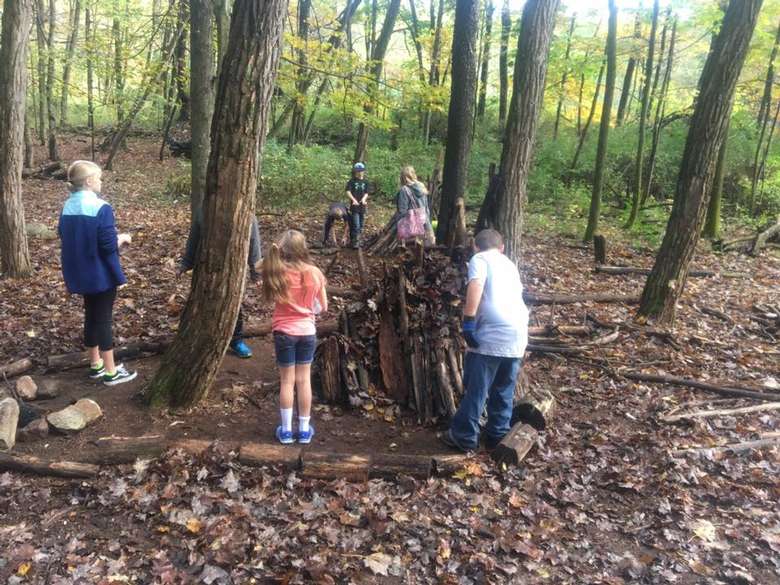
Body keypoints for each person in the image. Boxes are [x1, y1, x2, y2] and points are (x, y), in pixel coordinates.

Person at [443, 229, 529, 451]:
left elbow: (476, 285)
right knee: (503, 388)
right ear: (502, 248)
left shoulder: (479, 259)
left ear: (475, 246)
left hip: (492, 334)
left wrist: (469, 320)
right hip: (517, 334)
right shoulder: (509, 263)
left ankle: (464, 436)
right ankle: (497, 435)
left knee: (477, 389)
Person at [58, 160, 137, 386]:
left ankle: (95, 365)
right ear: (90, 181)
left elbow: (64, 235)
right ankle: (111, 372)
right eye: (99, 178)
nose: (101, 182)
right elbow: (107, 246)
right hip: (100, 274)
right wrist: (122, 238)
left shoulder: (67, 206)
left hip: (79, 273)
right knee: (102, 319)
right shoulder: (101, 207)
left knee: (91, 316)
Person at [262, 230, 328, 445]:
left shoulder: (276, 271)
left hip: (283, 333)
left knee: (287, 381)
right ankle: (304, 430)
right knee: (303, 380)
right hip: (307, 332)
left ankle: (287, 430)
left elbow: (263, 276)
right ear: (304, 248)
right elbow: (323, 307)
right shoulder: (315, 272)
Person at [177, 210, 262, 358]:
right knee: (200, 304)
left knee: (234, 307)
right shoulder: (205, 211)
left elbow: (254, 243)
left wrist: (256, 273)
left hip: (233, 272)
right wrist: (186, 263)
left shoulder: (246, 214)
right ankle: (196, 341)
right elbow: (193, 239)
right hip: (206, 270)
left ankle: (236, 341)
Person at [396, 166, 435, 246]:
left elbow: (402, 210)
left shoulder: (404, 190)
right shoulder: (422, 187)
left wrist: (400, 221)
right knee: (427, 246)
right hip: (425, 222)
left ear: (403, 177)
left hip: (412, 226)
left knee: (412, 247)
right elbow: (427, 208)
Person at [345, 162, 370, 247]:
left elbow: (367, 192)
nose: (359, 173)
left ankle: (359, 240)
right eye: (358, 171)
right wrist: (353, 200)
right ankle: (354, 241)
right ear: (355, 171)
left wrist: (364, 199)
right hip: (354, 207)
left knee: (361, 224)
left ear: (363, 171)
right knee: (356, 224)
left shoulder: (366, 182)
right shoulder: (351, 181)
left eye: (361, 171)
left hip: (362, 207)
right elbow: (347, 191)